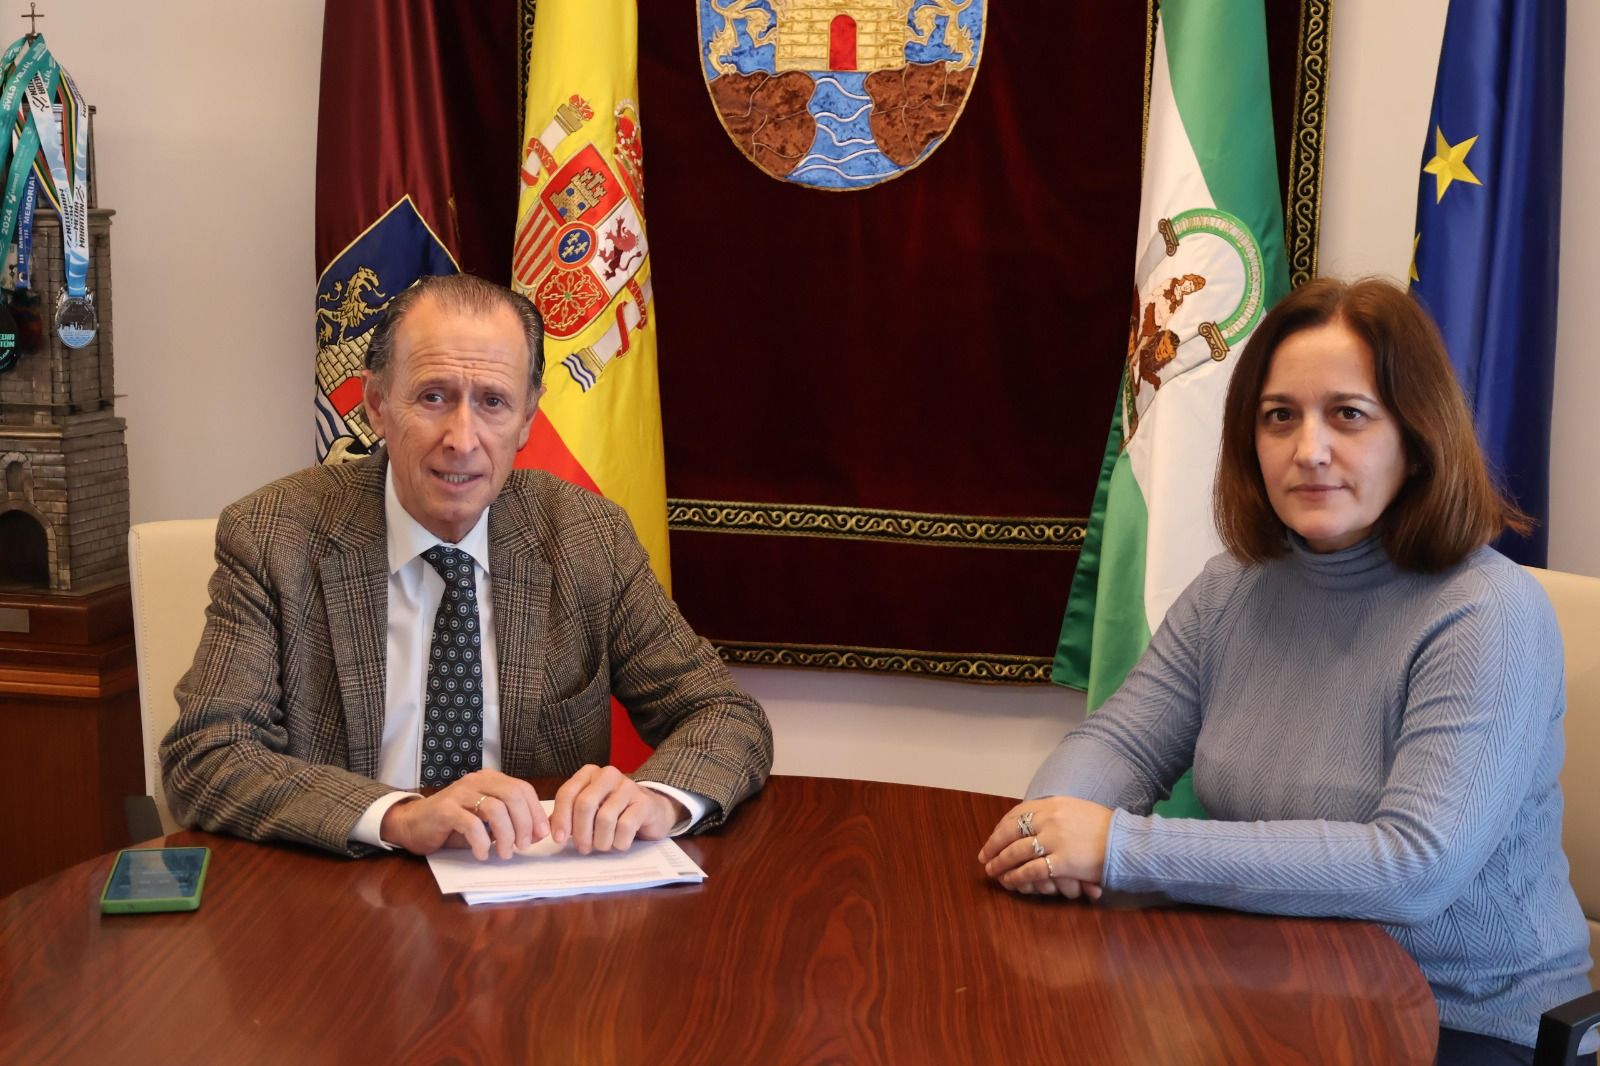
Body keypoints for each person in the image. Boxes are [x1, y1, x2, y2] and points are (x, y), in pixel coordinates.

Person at [979, 277, 1592, 1061]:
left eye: (1348, 414)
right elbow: (1123, 744)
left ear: (1415, 435)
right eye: (1279, 417)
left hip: (1465, 1022)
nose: (1309, 450)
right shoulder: (1232, 586)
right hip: (1270, 982)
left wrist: (1122, 848)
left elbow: (1411, 869)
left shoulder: (1487, 614)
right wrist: (1054, 823)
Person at [162, 273, 773, 862]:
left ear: (529, 418)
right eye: (434, 397)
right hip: (345, 892)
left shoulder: (586, 537)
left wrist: (657, 801)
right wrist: (397, 816)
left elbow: (723, 714)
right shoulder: (274, 535)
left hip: (531, 896)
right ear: (377, 404)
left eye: (493, 403)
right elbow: (208, 753)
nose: (462, 438)